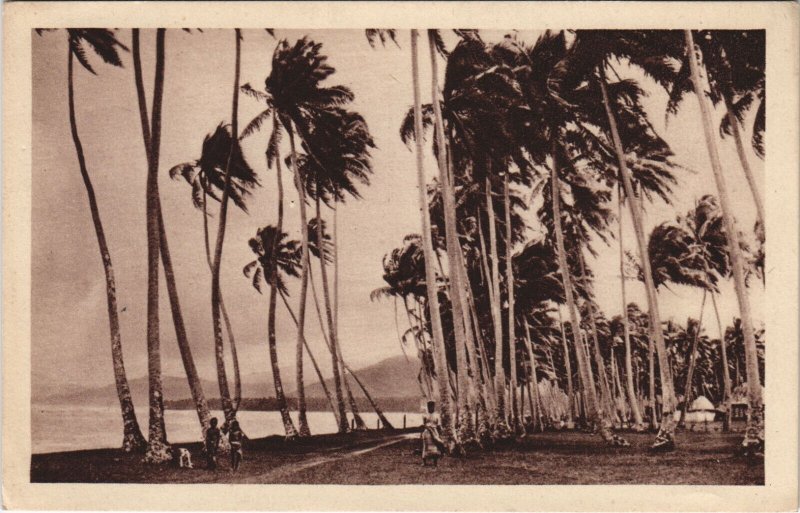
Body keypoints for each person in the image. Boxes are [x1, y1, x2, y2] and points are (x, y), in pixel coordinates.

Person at [421, 401, 444, 467]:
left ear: (434, 407)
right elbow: (424, 425)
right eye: (429, 407)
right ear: (427, 407)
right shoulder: (425, 415)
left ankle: (435, 463)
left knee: (435, 446)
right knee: (426, 447)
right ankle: (424, 462)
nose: (430, 408)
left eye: (432, 406)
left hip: (434, 432)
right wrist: (427, 429)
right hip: (427, 432)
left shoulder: (436, 415)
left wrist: (440, 434)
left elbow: (438, 425)